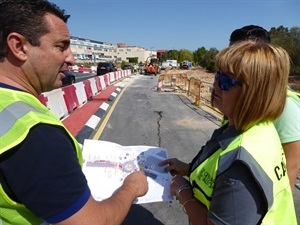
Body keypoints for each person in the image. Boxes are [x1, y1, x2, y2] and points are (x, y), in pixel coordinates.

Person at [0, 1, 148, 225]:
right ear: (19, 47)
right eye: (61, 46)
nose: (71, 58)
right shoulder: (36, 134)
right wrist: (131, 187)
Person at [159, 41, 297, 225]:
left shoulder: (241, 163)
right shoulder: (256, 127)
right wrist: (187, 169)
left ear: (252, 93)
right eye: (217, 75)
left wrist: (184, 192)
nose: (214, 85)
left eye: (225, 81)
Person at [225, 25, 300, 188]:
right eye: (231, 53)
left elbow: (291, 165)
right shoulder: (240, 94)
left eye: (242, 54)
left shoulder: (285, 104)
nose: (232, 61)